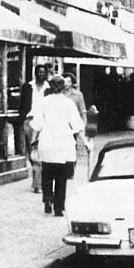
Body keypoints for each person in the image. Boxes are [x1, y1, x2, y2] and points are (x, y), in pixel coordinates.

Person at [29, 74, 85, 216]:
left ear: (51, 86)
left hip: (47, 142)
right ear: (62, 87)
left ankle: (48, 199)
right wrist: (73, 133)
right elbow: (77, 124)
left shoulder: (44, 102)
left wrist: (33, 139)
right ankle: (59, 207)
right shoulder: (68, 103)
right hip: (63, 144)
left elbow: (37, 124)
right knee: (61, 177)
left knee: (47, 173)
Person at [19, 69, 49, 194]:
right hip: (30, 121)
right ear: (35, 73)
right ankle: (37, 177)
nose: (41, 74)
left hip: (44, 122)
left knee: (40, 150)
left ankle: (38, 182)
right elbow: (22, 104)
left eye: (43, 72)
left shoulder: (49, 88)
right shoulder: (27, 86)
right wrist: (23, 119)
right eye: (39, 72)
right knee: (31, 151)